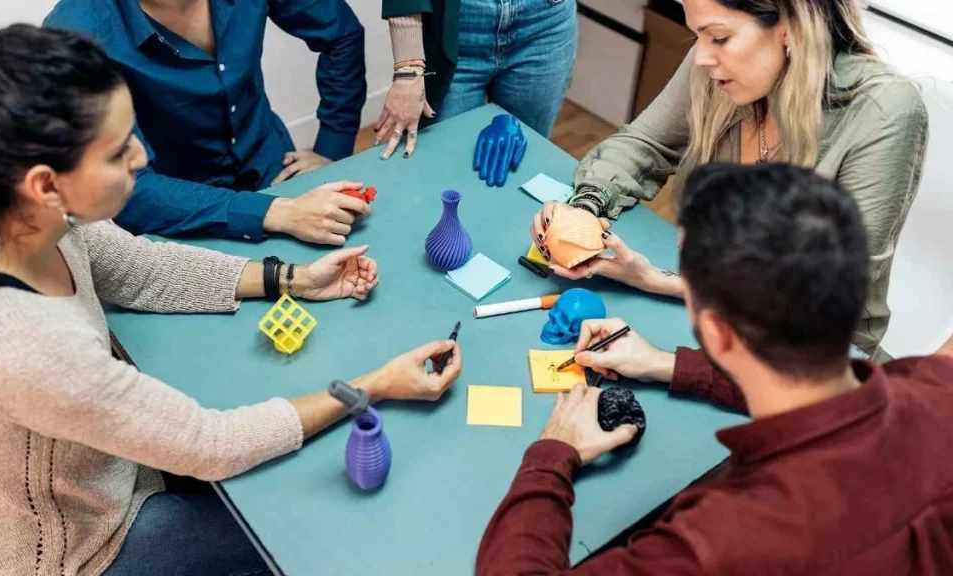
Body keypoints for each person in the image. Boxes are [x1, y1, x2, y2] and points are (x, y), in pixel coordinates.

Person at [0, 26, 462, 575]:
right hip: (76, 549)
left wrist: (293, 279)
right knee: (316, 521)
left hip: (102, 474)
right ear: (46, 183)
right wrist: (372, 386)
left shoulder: (21, 219)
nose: (140, 157)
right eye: (117, 152)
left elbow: (142, 267)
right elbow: (210, 443)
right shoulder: (20, 342)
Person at [478, 164, 953, 575]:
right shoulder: (932, 383)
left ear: (716, 329)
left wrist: (552, 453)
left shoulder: (721, 544)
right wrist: (667, 364)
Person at [530, 0, 929, 358]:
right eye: (698, 35)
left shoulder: (884, 112)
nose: (701, 56)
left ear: (791, 24)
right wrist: (586, 208)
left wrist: (658, 281)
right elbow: (645, 143)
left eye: (719, 37)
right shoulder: (719, 66)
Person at [45, 0, 370, 245]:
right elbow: (124, 186)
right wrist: (278, 213)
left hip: (276, 166)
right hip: (178, 208)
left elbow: (341, 34)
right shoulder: (74, 34)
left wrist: (332, 146)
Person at [375, 0, 577, 159]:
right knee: (439, 165)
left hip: (545, 22)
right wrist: (408, 66)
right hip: (457, 24)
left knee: (523, 158)